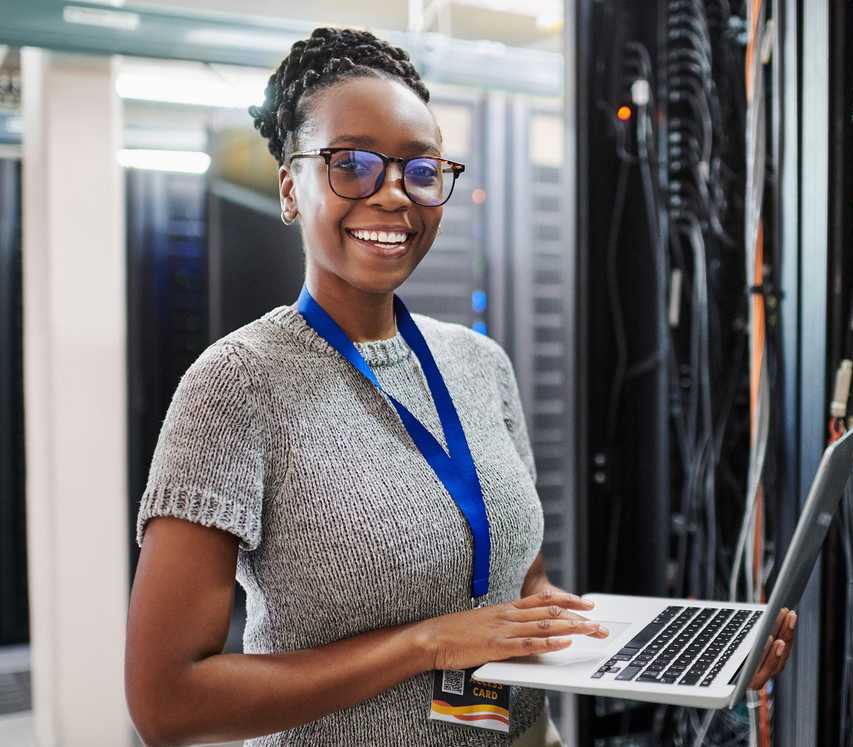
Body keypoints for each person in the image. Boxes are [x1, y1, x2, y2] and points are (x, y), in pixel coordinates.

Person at [124, 27, 796, 747]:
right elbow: (168, 700)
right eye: (351, 164)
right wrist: (427, 643)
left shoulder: (479, 363)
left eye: (420, 169)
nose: (393, 195)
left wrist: (647, 649)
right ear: (292, 186)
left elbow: (518, 586)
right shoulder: (236, 385)